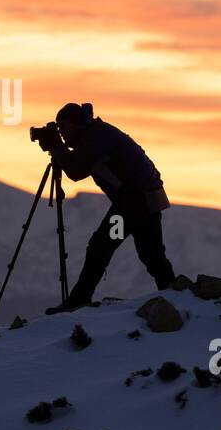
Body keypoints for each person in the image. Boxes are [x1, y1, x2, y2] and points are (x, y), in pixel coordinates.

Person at [38, 103, 177, 313]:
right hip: (142, 200)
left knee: (101, 246)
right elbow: (77, 164)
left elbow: (76, 171)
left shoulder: (97, 138)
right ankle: (174, 294)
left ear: (77, 125)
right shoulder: (95, 134)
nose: (62, 133)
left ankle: (78, 301)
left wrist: (57, 148)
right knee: (150, 253)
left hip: (135, 202)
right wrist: (59, 149)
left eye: (63, 127)